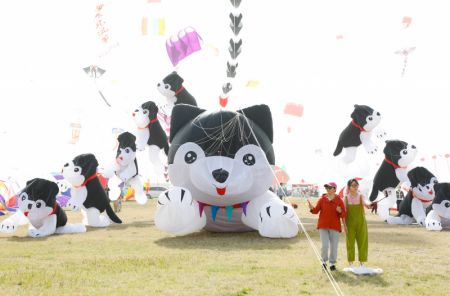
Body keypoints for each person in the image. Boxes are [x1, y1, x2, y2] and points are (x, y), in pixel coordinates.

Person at [308, 182, 346, 271]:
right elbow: (315, 211)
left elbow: (344, 214)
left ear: (334, 189)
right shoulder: (322, 199)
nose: (328, 190)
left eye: (329, 188)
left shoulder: (339, 200)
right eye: (327, 188)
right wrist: (311, 208)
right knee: (324, 245)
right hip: (323, 226)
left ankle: (332, 264)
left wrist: (340, 211)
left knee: (334, 246)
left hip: (335, 227)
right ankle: (324, 262)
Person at [344, 178, 369, 269]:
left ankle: (362, 263)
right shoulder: (346, 198)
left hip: (361, 223)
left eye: (356, 185)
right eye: (353, 185)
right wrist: (344, 225)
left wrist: (371, 204)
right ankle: (351, 264)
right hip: (349, 224)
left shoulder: (361, 196)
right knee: (350, 243)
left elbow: (367, 204)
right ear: (349, 187)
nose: (355, 187)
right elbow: (343, 213)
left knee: (362, 242)